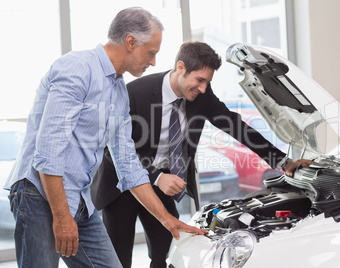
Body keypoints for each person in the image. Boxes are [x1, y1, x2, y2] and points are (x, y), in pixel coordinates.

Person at [4, 7, 205, 268]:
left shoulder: (119, 91)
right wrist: (62, 217)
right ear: (131, 42)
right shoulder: (77, 68)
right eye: (152, 53)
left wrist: (168, 220)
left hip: (78, 199)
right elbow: (49, 151)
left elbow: (129, 166)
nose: (154, 62)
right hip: (39, 194)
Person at [91, 41, 313, 268]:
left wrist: (283, 161)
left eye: (208, 82)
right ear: (180, 68)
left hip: (161, 186)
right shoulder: (134, 92)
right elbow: (113, 150)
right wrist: (156, 176)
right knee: (118, 261)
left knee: (168, 249)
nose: (204, 88)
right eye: (199, 80)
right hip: (121, 186)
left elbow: (236, 126)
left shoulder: (201, 97)